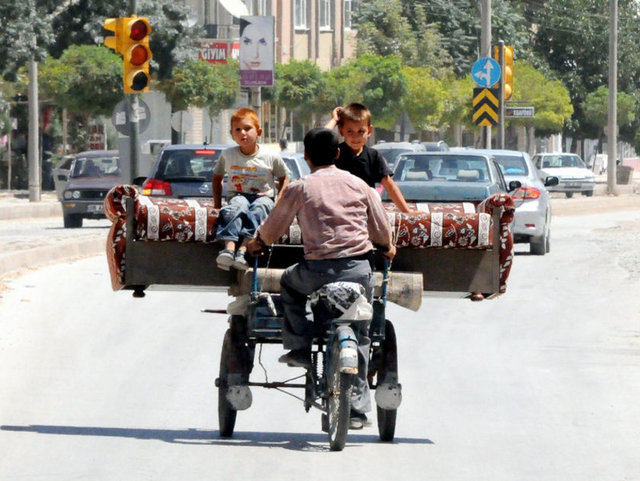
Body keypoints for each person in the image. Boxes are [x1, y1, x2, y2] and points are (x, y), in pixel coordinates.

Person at [247, 128, 396, 430]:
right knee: (363, 334)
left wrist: (257, 243)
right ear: (338, 154)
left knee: (289, 283)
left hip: (315, 273)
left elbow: (273, 228)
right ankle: (357, 406)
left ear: (306, 157)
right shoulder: (359, 185)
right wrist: (387, 248)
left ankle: (300, 346)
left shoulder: (300, 188)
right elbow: (382, 231)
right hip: (358, 271)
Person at [213, 108, 290, 271]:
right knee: (236, 208)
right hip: (238, 195)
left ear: (259, 132)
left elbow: (284, 178)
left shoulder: (271, 156)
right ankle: (229, 249)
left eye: (248, 128)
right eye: (238, 130)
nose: (243, 133)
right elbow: (217, 177)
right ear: (231, 134)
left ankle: (242, 250)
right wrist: (217, 203)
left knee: (260, 209)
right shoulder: (227, 155)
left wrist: (279, 201)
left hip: (263, 196)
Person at [324, 103, 416, 214]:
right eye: (349, 131)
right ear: (341, 131)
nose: (355, 137)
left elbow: (389, 185)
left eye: (361, 131)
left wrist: (407, 211)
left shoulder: (373, 156)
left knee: (374, 193)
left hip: (365, 212)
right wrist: (334, 120)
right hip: (339, 211)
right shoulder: (336, 153)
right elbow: (318, 140)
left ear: (369, 131)